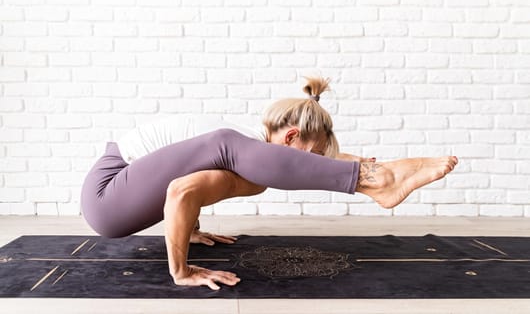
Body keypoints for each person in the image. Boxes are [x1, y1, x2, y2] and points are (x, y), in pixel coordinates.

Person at [81, 77, 458, 290]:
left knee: (244, 172)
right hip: (108, 192)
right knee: (228, 147)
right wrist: (182, 271)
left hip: (125, 195)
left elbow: (183, 185)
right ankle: (376, 182)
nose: (300, 167)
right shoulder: (237, 141)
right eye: (305, 156)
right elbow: (178, 189)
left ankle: (375, 176)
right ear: (291, 137)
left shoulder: (244, 151)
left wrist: (188, 227)